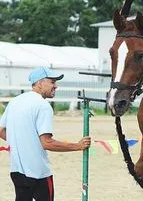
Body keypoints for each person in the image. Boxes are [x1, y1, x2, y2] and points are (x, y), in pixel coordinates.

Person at [0, 66, 91, 201]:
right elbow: (47, 142)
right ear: (39, 83)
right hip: (39, 173)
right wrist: (77, 146)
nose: (56, 86)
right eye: (52, 82)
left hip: (16, 171)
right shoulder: (42, 105)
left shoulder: (14, 101)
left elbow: (1, 130)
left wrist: (23, 142)